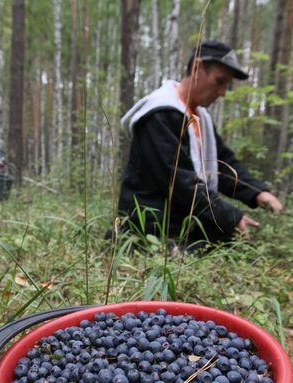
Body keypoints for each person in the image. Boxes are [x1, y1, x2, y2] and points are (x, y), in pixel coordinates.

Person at [117, 40, 282, 248]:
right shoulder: (161, 113)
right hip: (152, 227)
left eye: (226, 85)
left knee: (242, 247)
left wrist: (257, 192)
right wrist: (228, 216)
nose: (222, 92)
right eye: (219, 81)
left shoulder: (200, 117)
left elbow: (221, 164)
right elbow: (178, 179)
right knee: (230, 246)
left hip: (184, 224)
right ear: (197, 68)